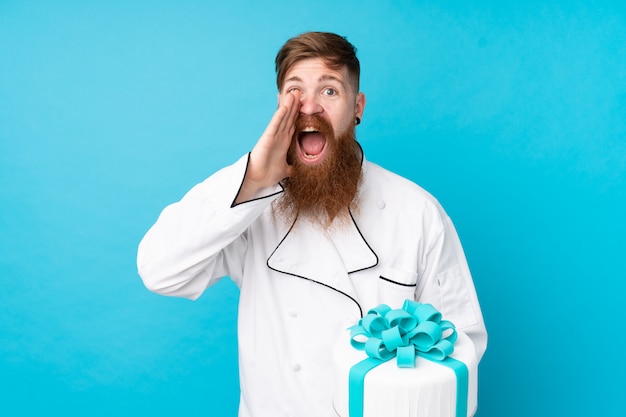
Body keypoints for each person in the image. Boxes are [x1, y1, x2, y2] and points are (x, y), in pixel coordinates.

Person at [137, 32, 487, 417]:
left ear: (358, 107)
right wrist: (253, 176)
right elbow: (159, 271)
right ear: (278, 108)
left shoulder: (416, 211)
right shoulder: (251, 206)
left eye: (330, 91)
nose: (309, 107)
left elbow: (461, 345)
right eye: (294, 92)